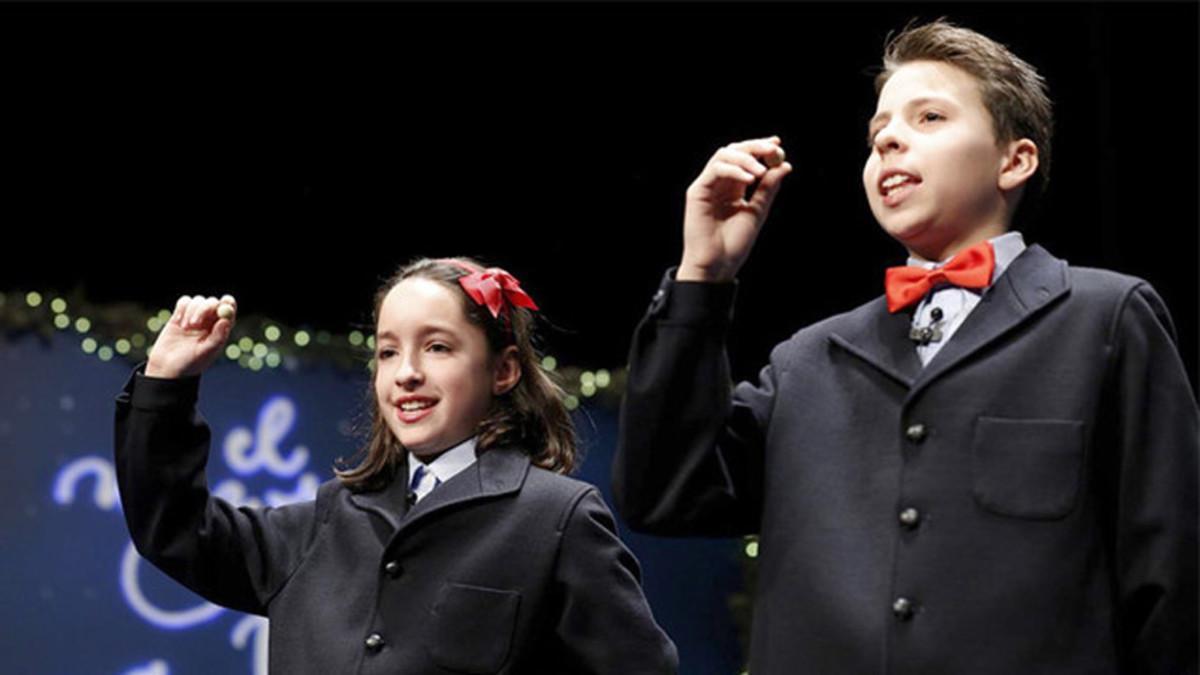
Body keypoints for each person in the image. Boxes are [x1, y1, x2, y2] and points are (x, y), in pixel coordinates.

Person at [613, 19, 1197, 674]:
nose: (889, 137)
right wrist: (703, 275)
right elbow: (663, 494)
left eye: (930, 117)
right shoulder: (809, 359)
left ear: (1015, 160)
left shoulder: (1105, 319)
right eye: (877, 133)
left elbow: (1170, 577)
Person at [115, 256, 678, 674]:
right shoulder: (327, 520)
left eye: (437, 347)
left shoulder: (557, 519)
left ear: (504, 370)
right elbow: (176, 529)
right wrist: (165, 384)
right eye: (387, 351)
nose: (405, 372)